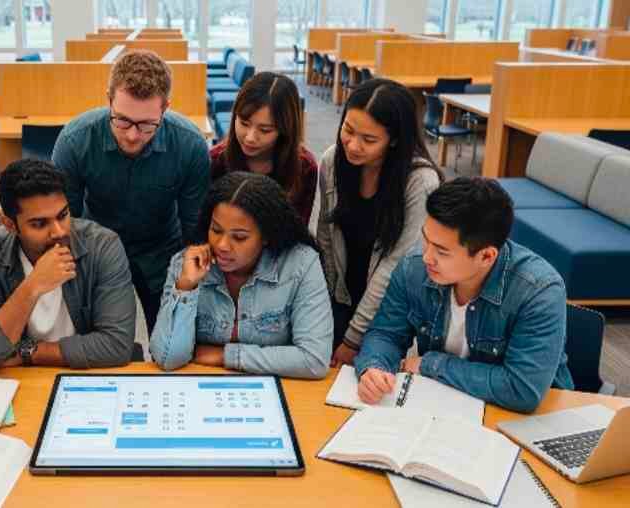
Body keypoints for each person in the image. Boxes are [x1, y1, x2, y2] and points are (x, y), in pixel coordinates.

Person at [353, 177, 574, 413]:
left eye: (441, 251)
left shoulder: (539, 291)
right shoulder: (414, 268)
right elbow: (386, 334)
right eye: (426, 241)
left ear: (487, 256)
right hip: (440, 407)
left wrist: (432, 364)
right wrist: (374, 368)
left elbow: (521, 389)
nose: (427, 256)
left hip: (521, 418)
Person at [52, 49, 210, 333]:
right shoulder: (75, 140)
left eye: (147, 124)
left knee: (171, 346)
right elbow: (63, 224)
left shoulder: (190, 145)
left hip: (162, 250)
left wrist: (188, 284)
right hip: (96, 249)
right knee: (99, 347)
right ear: (109, 100)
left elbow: (194, 230)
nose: (132, 135)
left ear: (165, 108)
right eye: (122, 120)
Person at [0, 159, 136, 375]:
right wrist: (32, 287)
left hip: (87, 375)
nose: (59, 232)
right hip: (17, 382)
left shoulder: (102, 246)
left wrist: (28, 352)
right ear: (10, 225)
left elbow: (117, 346)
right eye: (39, 224)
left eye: (63, 215)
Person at [150, 172, 333, 379]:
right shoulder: (188, 263)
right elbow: (168, 358)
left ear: (266, 236)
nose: (222, 246)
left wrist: (226, 356)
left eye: (239, 237)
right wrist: (186, 287)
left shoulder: (301, 264)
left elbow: (314, 359)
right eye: (216, 230)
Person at [312, 78, 442, 368]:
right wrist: (325, 311)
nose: (353, 145)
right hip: (342, 296)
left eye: (369, 140)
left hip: (389, 309)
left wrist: (352, 338)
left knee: (368, 375)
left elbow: (394, 267)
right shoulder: (332, 161)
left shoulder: (419, 182)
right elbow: (325, 237)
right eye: (348, 129)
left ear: (394, 139)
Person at [210, 71, 319, 226]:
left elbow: (297, 232)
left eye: (265, 130)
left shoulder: (305, 167)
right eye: (244, 123)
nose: (250, 138)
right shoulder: (215, 161)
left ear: (285, 129)